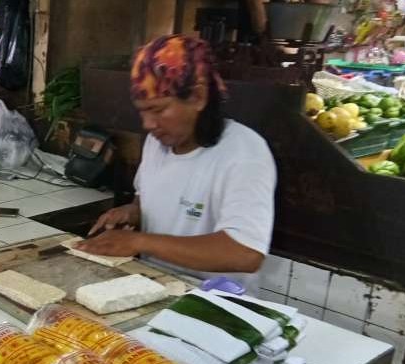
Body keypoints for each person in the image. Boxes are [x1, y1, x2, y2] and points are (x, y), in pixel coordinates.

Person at [77, 35, 276, 291]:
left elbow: (245, 253)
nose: (148, 124)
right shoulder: (157, 142)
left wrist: (139, 242)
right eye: (143, 111)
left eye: (158, 110)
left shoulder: (244, 152)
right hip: (155, 288)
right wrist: (132, 212)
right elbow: (145, 197)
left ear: (198, 97)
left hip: (213, 303)